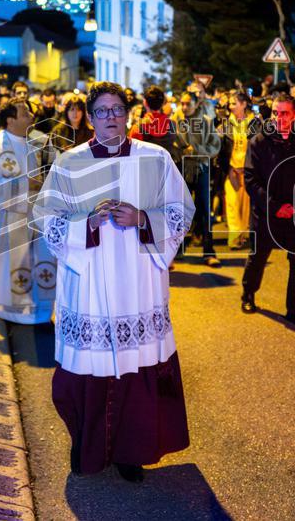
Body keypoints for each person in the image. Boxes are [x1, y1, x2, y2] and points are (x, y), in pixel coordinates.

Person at [32, 81, 195, 482]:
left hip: (137, 284)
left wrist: (142, 219)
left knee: (136, 370)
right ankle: (85, 444)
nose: (111, 118)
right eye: (102, 111)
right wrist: (87, 223)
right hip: (89, 283)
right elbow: (46, 218)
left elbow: (181, 210)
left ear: (128, 114)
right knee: (87, 371)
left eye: (118, 110)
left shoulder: (155, 159)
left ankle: (131, 451)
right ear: (89, 117)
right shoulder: (69, 163)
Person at [240, 93, 295, 328]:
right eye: (276, 112)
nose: (279, 117)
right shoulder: (259, 141)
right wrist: (274, 206)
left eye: (285, 113)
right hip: (267, 212)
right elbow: (251, 179)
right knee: (257, 257)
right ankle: (248, 293)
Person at [0, 100, 55, 323]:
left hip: (38, 217)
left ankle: (40, 310)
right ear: (10, 121)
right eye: (24, 113)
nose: (31, 115)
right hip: (9, 219)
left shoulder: (39, 141)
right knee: (12, 266)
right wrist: (28, 186)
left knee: (40, 263)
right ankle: (8, 311)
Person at [177, 90, 222, 267]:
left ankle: (209, 252)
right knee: (180, 210)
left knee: (204, 211)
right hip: (181, 169)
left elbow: (215, 146)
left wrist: (198, 153)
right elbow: (170, 143)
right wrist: (181, 151)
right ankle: (177, 250)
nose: (184, 106)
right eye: (183, 103)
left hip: (202, 169)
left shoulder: (206, 122)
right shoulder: (175, 120)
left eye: (188, 103)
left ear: (196, 104)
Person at [217, 90, 258, 250]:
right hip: (231, 170)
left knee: (245, 206)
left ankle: (242, 235)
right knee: (232, 205)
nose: (230, 106)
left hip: (249, 171)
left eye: (234, 103)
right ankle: (234, 237)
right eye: (230, 103)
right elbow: (219, 149)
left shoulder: (255, 124)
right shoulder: (225, 125)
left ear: (244, 104)